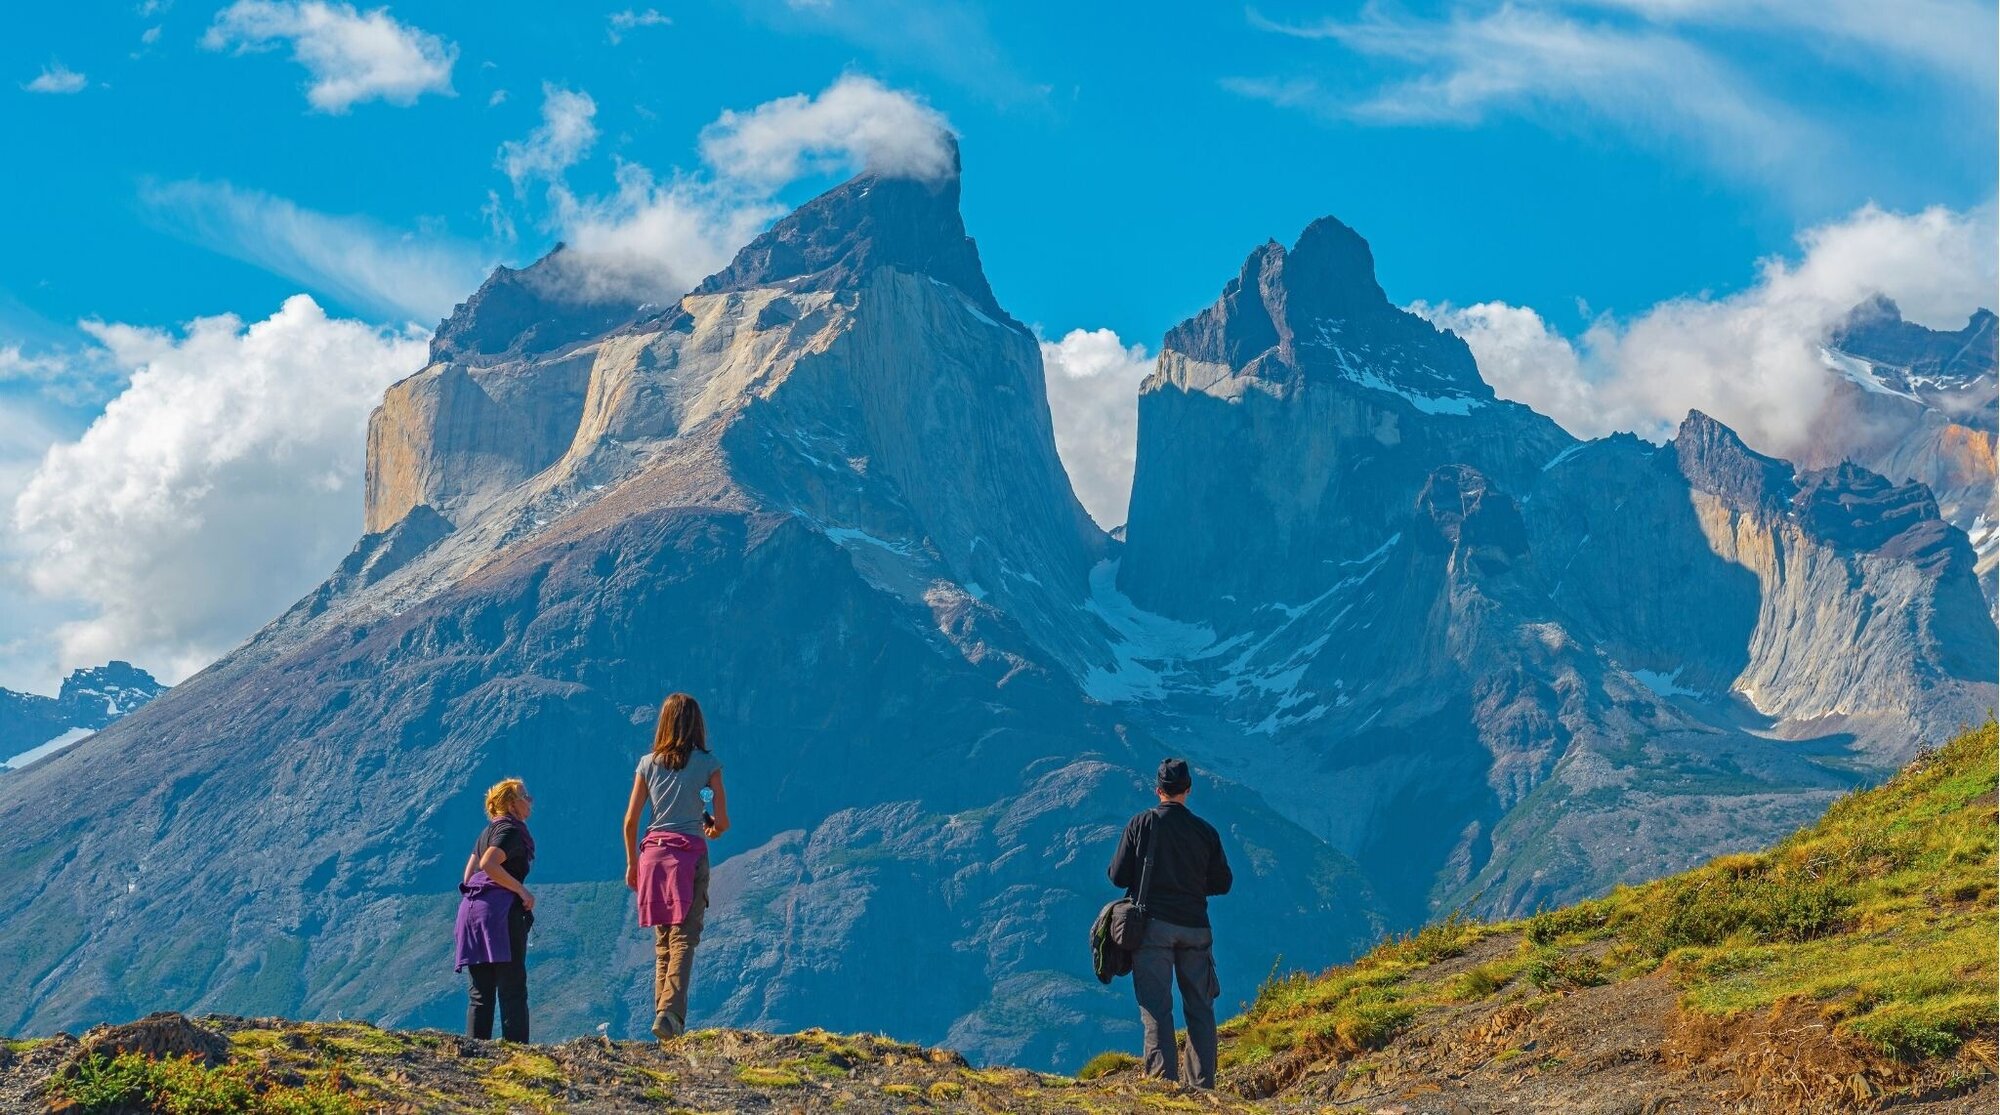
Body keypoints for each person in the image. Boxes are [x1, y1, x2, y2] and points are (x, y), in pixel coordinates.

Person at [1106, 758, 1233, 1088]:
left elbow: (1117, 875)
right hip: (1196, 928)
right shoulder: (1206, 832)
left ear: (1158, 789)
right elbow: (1223, 883)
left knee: (1157, 1008)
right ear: (1188, 789)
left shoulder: (1141, 823)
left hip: (1152, 928)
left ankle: (1163, 1085)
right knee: (1200, 1009)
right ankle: (1202, 1087)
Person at [623, 693, 730, 1041]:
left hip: (653, 855)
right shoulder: (708, 764)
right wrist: (709, 826)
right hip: (689, 856)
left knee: (664, 939)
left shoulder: (647, 763)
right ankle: (671, 1015)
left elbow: (630, 821)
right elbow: (722, 822)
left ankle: (661, 1014)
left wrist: (632, 863)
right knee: (685, 936)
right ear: (697, 723)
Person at [455, 777, 537, 1042]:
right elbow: (490, 864)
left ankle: (475, 1056)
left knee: (480, 992)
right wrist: (520, 890)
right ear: (512, 804)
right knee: (512, 987)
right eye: (525, 796)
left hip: (470, 913)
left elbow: (469, 876)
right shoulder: (511, 831)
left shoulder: (485, 833)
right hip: (499, 915)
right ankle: (519, 1055)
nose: (530, 800)